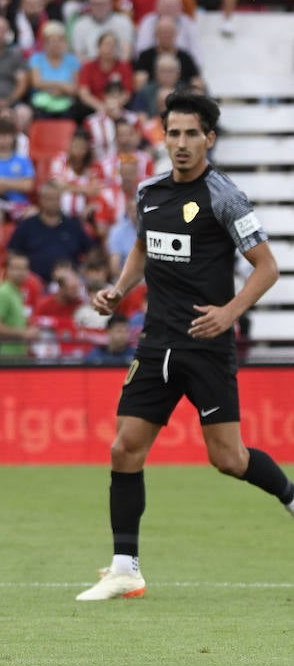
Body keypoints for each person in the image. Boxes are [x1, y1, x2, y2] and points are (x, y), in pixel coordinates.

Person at [76, 91, 289, 601]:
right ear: (164, 137)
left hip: (206, 346)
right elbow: (142, 245)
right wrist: (119, 290)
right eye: (173, 133)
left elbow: (268, 267)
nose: (182, 143)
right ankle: (125, 568)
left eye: (192, 133)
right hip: (157, 344)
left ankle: (291, 497)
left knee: (229, 459)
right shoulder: (150, 192)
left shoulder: (225, 197)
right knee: (124, 448)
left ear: (209, 139)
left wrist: (229, 314)